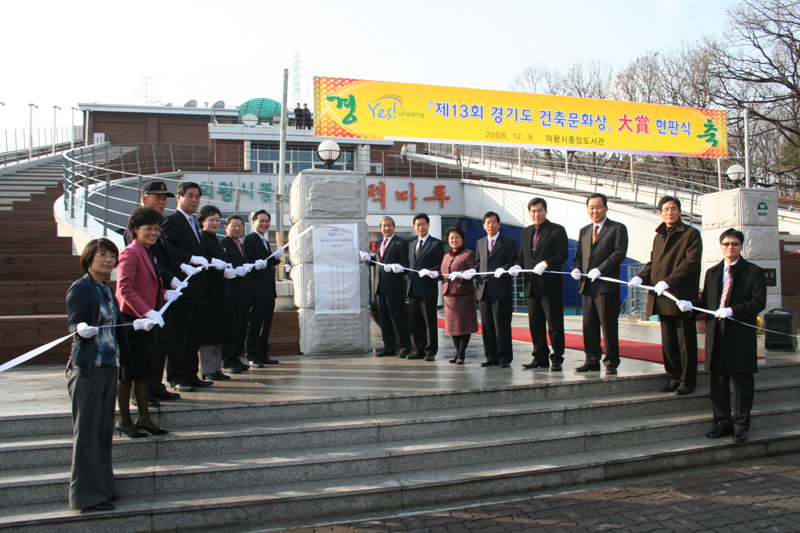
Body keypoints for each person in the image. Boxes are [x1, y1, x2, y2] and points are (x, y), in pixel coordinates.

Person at [677, 229, 766, 443]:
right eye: (726, 244)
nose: (730, 247)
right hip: (716, 334)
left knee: (742, 383)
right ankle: (722, 423)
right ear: (721, 246)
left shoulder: (753, 272)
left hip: (740, 334)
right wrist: (690, 305)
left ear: (741, 246)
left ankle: (741, 426)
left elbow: (758, 302)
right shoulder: (714, 272)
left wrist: (733, 310)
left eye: (735, 244)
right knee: (718, 382)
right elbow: (707, 302)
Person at [66, 238, 127, 512]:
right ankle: (86, 497)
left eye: (112, 256)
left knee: (103, 430)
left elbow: (113, 326)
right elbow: (74, 323)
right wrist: (80, 329)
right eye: (102, 255)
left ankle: (104, 488)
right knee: (88, 433)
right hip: (88, 369)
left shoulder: (105, 289)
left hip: (108, 366)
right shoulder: (82, 288)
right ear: (89, 258)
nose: (109, 260)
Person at [630, 196, 702, 395]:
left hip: (679, 296)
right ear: (660, 213)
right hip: (661, 296)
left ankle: (688, 380)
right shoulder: (659, 235)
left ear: (680, 211)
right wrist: (641, 277)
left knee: (685, 341)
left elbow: (690, 263)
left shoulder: (691, 234)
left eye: (673, 208)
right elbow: (654, 262)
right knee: (668, 340)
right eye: (665, 209)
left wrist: (669, 282)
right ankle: (673, 377)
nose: (669, 212)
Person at [123, 180, 182, 405]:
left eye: (164, 199)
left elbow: (159, 262)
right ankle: (143, 392)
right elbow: (130, 282)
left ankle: (156, 386)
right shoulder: (138, 229)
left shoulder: (159, 228)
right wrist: (147, 309)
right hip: (142, 307)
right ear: (144, 198)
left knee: (158, 348)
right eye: (156, 197)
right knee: (143, 354)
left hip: (157, 300)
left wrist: (168, 285)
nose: (161, 202)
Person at [115, 207, 170, 438]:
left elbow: (148, 284)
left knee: (142, 372)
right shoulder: (131, 252)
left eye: (156, 229)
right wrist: (146, 311)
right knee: (128, 374)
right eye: (148, 229)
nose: (153, 233)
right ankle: (125, 421)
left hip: (145, 321)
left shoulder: (147, 252)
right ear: (135, 230)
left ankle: (144, 418)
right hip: (132, 322)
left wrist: (165, 293)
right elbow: (124, 288)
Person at [571, 193, 629, 375]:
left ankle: (611, 362)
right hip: (587, 286)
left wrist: (601, 270)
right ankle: (591, 359)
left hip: (605, 287)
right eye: (591, 208)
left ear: (605, 208)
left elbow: (619, 254)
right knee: (589, 325)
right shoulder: (585, 230)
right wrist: (577, 268)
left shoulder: (617, 228)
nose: (594, 211)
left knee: (608, 326)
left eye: (598, 207)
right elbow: (580, 255)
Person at [162, 181, 211, 392]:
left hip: (197, 288)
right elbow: (167, 250)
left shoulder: (192, 223)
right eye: (190, 195)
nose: (194, 200)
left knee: (194, 334)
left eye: (198, 196)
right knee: (179, 334)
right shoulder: (172, 220)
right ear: (179, 197)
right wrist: (190, 259)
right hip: (180, 287)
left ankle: (191, 373)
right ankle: (176, 376)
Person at [516, 197, 568, 371]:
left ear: (545, 211)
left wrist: (547, 263)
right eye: (533, 211)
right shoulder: (526, 232)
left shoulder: (557, 230)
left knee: (554, 324)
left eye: (539, 210)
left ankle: (557, 357)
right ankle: (539, 357)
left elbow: (563, 255)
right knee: (535, 324)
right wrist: (517, 265)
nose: (536, 214)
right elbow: (522, 256)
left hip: (549, 286)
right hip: (531, 286)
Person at [197, 205, 240, 381]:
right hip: (209, 293)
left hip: (221, 292)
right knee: (210, 333)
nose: (215, 223)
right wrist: (220, 271)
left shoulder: (215, 239)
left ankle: (216, 368)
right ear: (202, 222)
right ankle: (207, 370)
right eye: (211, 220)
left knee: (220, 331)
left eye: (217, 220)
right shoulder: (202, 239)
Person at [360, 216, 413, 357]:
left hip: (395, 287)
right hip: (380, 287)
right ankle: (388, 346)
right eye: (384, 226)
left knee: (398, 318)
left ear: (394, 227)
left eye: (389, 225)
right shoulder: (379, 244)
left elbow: (407, 265)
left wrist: (399, 267)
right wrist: (369, 259)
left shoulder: (401, 243)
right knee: (384, 319)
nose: (386, 228)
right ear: (380, 228)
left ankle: (404, 346)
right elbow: (379, 263)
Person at [474, 211, 517, 368]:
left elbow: (513, 261)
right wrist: (473, 271)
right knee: (487, 325)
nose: (490, 225)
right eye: (487, 222)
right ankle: (491, 356)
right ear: (484, 225)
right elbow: (478, 263)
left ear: (499, 224)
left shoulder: (508, 242)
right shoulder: (480, 242)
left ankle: (504, 357)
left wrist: (504, 269)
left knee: (502, 325)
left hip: (501, 289)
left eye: (493, 222)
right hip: (484, 289)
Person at [242, 209, 284, 367]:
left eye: (267, 221)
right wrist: (264, 261)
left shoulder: (264, 241)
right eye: (262, 221)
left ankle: (263, 353)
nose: (265, 224)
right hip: (257, 290)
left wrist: (276, 258)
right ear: (254, 222)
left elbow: (266, 263)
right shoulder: (249, 240)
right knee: (255, 323)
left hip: (268, 290)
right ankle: (252, 355)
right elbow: (251, 263)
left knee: (266, 323)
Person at [407, 213, 445, 361]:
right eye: (417, 224)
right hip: (413, 288)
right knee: (416, 322)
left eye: (423, 224)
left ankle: (431, 350)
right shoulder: (411, 244)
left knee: (430, 322)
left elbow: (440, 264)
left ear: (428, 225)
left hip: (428, 288)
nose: (420, 227)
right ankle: (419, 349)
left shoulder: (436, 243)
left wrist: (431, 271)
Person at [438, 226, 478, 363]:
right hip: (449, 296)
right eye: (451, 238)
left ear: (462, 239)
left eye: (457, 237)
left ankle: (461, 354)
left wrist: (461, 275)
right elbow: (443, 274)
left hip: (464, 295)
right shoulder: (445, 256)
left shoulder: (468, 254)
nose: (454, 240)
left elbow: (473, 273)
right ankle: (457, 353)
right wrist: (433, 275)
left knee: (464, 326)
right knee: (452, 327)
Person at [220, 215, 253, 374]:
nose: (238, 228)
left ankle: (235, 357)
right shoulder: (223, 244)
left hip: (244, 295)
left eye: (240, 226)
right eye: (234, 225)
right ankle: (227, 360)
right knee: (231, 328)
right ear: (226, 227)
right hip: (232, 294)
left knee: (241, 328)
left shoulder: (240, 245)